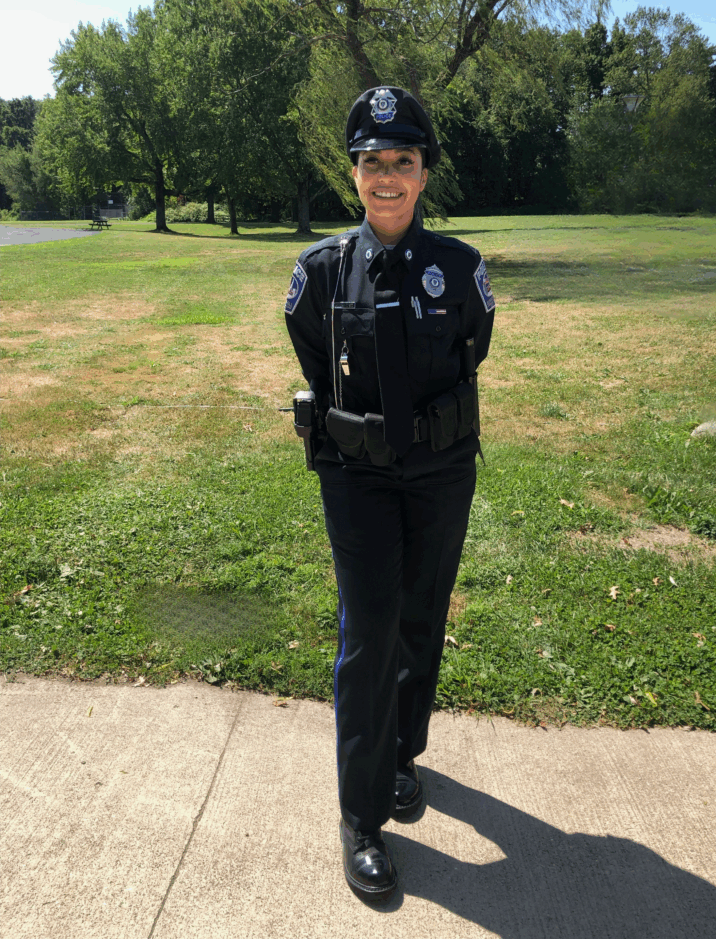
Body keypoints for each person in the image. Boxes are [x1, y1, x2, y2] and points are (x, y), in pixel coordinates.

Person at [284, 86, 495, 900]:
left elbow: (470, 351)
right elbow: (312, 357)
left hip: (443, 470)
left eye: (402, 161)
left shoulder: (461, 269)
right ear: (354, 174)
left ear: (423, 173)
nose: (387, 177)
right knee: (369, 629)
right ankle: (360, 816)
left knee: (421, 614)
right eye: (373, 162)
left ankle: (403, 754)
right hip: (358, 475)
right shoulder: (320, 271)